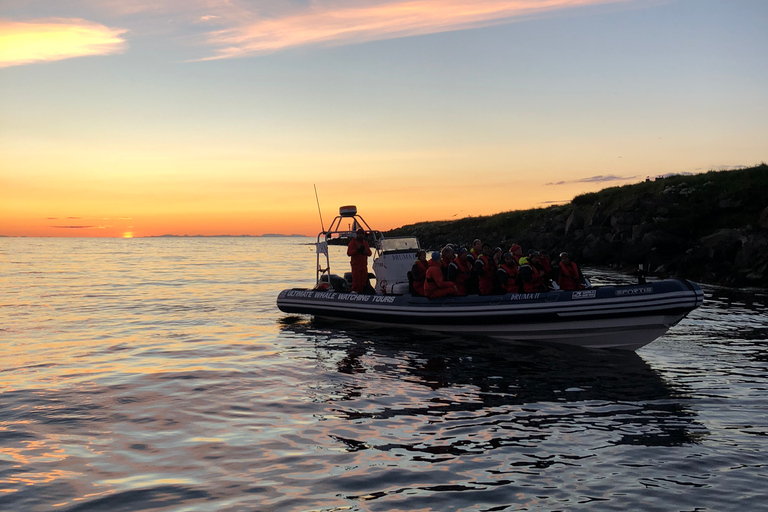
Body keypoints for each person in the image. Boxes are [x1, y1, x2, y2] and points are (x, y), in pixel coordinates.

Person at [347, 228, 372, 293]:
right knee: (356, 281)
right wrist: (356, 250)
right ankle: (354, 292)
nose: (361, 236)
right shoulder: (353, 242)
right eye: (359, 234)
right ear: (357, 234)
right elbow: (349, 253)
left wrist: (365, 251)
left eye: (362, 234)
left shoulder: (365, 243)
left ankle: (361, 292)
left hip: (364, 265)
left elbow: (369, 253)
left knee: (363, 281)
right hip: (356, 265)